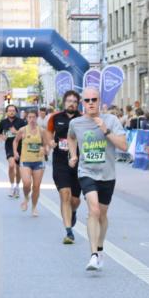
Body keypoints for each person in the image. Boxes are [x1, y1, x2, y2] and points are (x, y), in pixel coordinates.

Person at [66, 87, 128, 271]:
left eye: (94, 99)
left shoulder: (111, 120)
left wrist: (106, 130)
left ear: (99, 101)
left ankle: (100, 249)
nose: (91, 103)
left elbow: (124, 146)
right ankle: (93, 254)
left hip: (107, 174)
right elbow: (71, 138)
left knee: (102, 214)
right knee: (93, 210)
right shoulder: (76, 123)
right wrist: (73, 155)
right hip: (86, 172)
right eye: (87, 100)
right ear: (82, 104)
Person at [45, 90, 83, 243]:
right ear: (64, 102)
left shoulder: (83, 119)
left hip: (79, 163)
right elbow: (48, 133)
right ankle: (69, 231)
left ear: (78, 104)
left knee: (75, 200)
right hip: (60, 162)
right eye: (69, 101)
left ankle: (73, 212)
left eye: (75, 101)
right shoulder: (55, 118)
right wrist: (50, 142)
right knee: (65, 194)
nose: (71, 103)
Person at [14, 110, 47, 216]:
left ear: (37, 118)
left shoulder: (41, 131)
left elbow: (46, 145)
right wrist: (15, 152)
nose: (32, 119)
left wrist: (44, 149)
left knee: (36, 186)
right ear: (27, 118)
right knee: (27, 183)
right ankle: (26, 197)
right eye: (29, 117)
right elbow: (15, 141)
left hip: (38, 162)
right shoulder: (22, 130)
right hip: (25, 161)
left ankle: (34, 207)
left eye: (34, 117)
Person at [0, 105, 26, 199]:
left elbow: (25, 135)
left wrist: (16, 132)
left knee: (18, 169)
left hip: (20, 147)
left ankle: (17, 186)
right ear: (6, 112)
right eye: (9, 110)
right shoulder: (3, 122)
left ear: (16, 112)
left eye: (13, 110)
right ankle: (12, 186)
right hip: (9, 147)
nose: (11, 112)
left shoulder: (21, 122)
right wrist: (2, 137)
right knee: (11, 165)